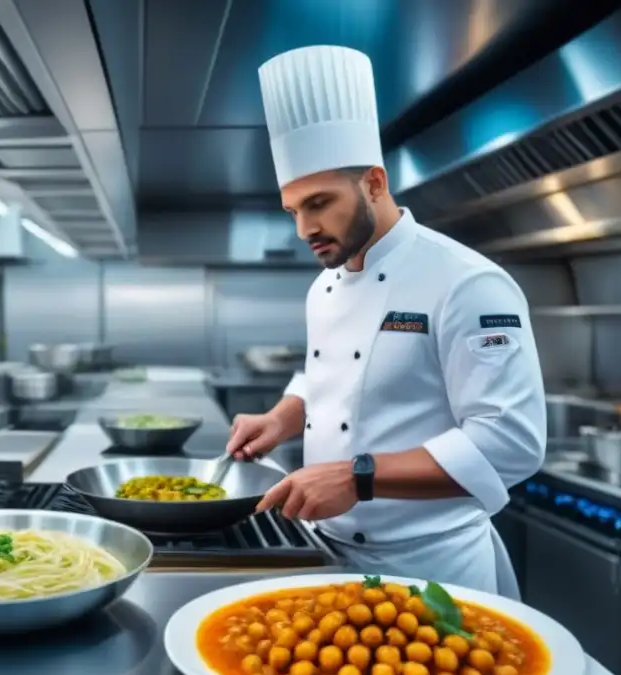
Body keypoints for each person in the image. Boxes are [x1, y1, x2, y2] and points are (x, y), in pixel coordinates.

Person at [226, 46, 546, 598]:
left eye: (320, 203)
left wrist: (358, 477)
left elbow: (510, 442)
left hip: (434, 570)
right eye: (294, 211)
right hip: (328, 556)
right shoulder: (323, 287)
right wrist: (284, 414)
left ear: (374, 182)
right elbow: (337, 376)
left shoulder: (466, 282)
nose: (305, 229)